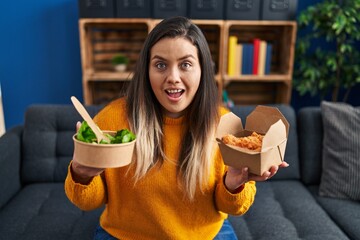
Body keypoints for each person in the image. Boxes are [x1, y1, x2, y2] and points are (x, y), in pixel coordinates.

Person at [65, 16, 289, 240]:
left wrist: (234, 184)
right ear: (147, 71)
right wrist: (81, 174)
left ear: (202, 70)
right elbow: (88, 202)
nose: (173, 77)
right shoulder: (111, 120)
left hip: (205, 235)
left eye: (186, 64)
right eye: (160, 65)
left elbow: (233, 207)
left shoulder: (225, 125)